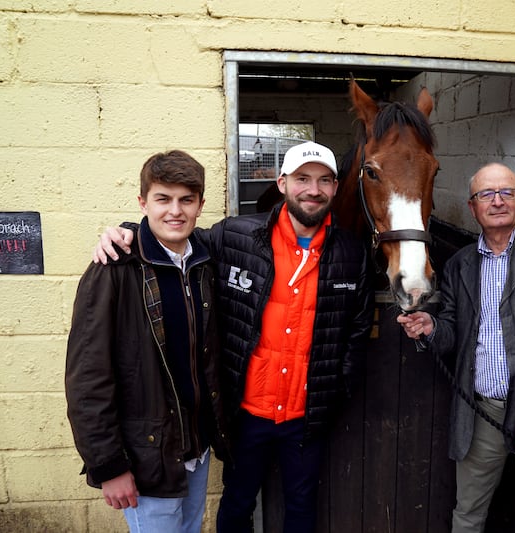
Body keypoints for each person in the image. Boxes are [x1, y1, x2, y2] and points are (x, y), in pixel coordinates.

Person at [93, 141, 374, 533]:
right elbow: (172, 237)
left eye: (324, 180)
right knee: (237, 503)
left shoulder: (352, 252)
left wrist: (337, 387)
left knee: (302, 506)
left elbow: (357, 331)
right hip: (246, 414)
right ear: (282, 183)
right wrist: (126, 234)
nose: (314, 189)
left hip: (306, 416)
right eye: (302, 179)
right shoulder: (236, 235)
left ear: (336, 188)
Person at [397, 162, 515, 533]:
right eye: (486, 194)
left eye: (507, 192)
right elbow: (452, 333)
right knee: (468, 511)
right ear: (472, 207)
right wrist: (430, 328)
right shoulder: (460, 264)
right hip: (482, 411)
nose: (497, 201)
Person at [65, 150, 227, 533]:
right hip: (148, 456)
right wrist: (109, 466)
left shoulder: (203, 262)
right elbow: (87, 378)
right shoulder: (113, 270)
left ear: (200, 205)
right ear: (143, 203)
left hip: (197, 450)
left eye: (186, 199)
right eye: (163, 199)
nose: (175, 211)